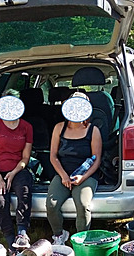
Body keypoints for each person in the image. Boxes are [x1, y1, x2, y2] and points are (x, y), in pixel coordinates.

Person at [46, 92, 102, 244]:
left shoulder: (93, 130)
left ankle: (81, 240)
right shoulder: (59, 128)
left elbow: (96, 160)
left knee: (83, 205)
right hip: (63, 174)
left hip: (86, 175)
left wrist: (82, 177)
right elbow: (53, 156)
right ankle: (59, 235)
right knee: (51, 205)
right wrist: (63, 176)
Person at [0, 90, 34, 251]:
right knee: (0, 200)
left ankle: (22, 233)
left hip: (18, 169)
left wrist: (13, 172)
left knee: (24, 191)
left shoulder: (26, 127)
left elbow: (25, 158)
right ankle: (10, 237)